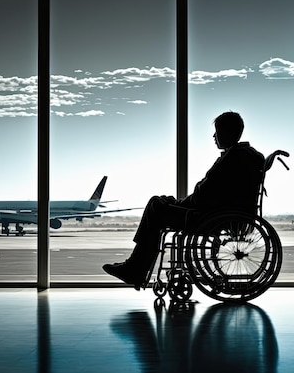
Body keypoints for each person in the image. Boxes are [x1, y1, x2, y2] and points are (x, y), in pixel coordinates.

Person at [103, 111, 265, 290]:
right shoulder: (245, 156)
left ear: (227, 132)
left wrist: (182, 203)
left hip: (207, 217)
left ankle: (135, 268)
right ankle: (135, 267)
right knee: (157, 202)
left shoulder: (233, 158)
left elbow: (205, 193)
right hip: (215, 213)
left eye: (217, 131)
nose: (213, 136)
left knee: (156, 206)